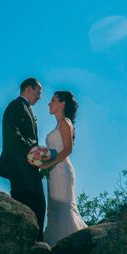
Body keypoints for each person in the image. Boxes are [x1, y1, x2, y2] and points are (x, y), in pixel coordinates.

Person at [0, 78, 46, 242]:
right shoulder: (17, 105)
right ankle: (32, 246)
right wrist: (32, 150)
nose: (40, 97)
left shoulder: (26, 108)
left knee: (37, 206)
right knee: (31, 206)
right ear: (28, 89)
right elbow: (12, 131)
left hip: (27, 167)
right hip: (20, 168)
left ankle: (35, 244)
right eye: (38, 92)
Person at [41, 90, 88, 245]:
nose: (49, 103)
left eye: (53, 100)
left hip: (62, 171)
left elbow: (68, 149)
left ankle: (69, 247)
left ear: (62, 103)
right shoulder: (58, 124)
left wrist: (48, 164)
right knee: (54, 211)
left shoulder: (64, 122)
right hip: (53, 172)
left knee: (63, 209)